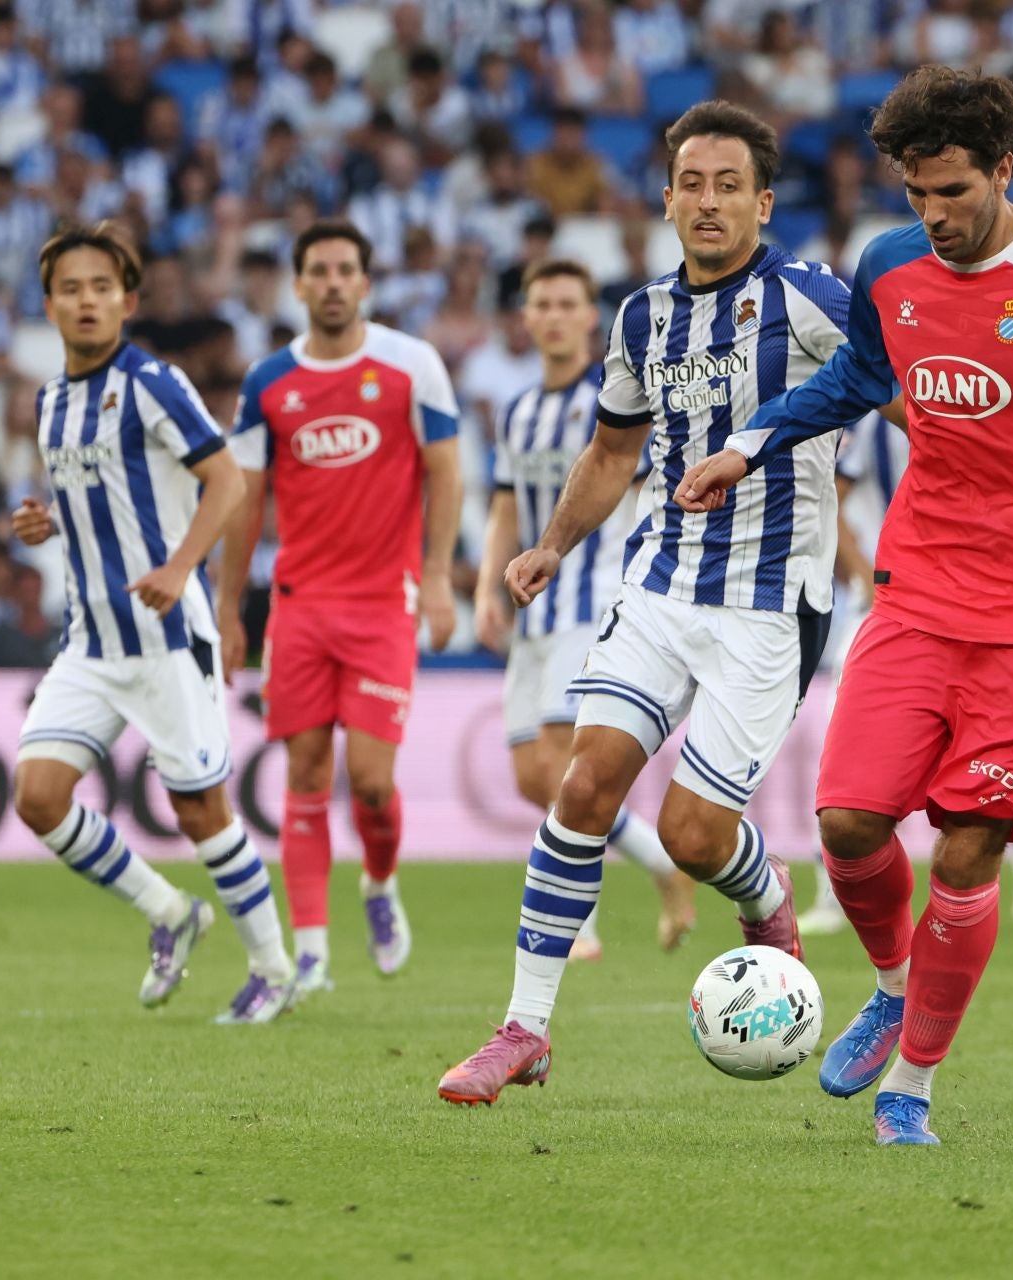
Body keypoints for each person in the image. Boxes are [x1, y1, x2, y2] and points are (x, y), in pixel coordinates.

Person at [677, 67, 1013, 1146]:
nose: (936, 215)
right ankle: (894, 983)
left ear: (1005, 169)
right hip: (920, 586)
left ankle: (912, 1082)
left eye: (954, 191)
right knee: (849, 823)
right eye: (917, 194)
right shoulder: (890, 263)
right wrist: (749, 444)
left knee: (965, 849)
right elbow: (861, 379)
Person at [437, 101, 861, 1107]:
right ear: (666, 199)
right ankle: (523, 1028)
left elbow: (895, 389)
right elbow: (613, 450)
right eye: (692, 185)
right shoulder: (641, 317)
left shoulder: (812, 299)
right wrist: (551, 543)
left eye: (730, 186)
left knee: (692, 835)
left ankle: (764, 890)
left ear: (763, 202)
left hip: (770, 603)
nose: (709, 203)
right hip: (660, 584)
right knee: (583, 786)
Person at [10, 222, 296, 1024]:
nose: (87, 301)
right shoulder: (50, 402)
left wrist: (180, 567)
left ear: (128, 302)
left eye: (102, 288)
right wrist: (47, 523)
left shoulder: (152, 382)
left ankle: (274, 969)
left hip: (167, 637)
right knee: (37, 796)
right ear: (49, 306)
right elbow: (101, 502)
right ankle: (169, 910)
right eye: (71, 289)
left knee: (201, 811)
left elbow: (226, 481)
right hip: (91, 643)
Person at [218, 219, 463, 998]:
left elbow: (446, 472)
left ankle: (380, 884)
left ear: (365, 283)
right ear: (298, 286)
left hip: (383, 605)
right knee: (304, 772)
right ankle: (313, 954)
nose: (331, 283)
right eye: (318, 271)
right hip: (299, 608)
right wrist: (228, 609)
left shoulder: (410, 365)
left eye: (344, 270)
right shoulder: (267, 383)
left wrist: (438, 577)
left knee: (371, 782)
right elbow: (243, 500)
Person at [475, 258, 698, 963]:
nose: (553, 316)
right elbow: (505, 507)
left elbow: (636, 490)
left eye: (567, 303)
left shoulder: (616, 400)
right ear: (525, 317)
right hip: (534, 612)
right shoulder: (518, 409)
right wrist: (485, 590)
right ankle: (661, 865)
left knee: (562, 767)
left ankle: (581, 927)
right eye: (541, 303)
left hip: (593, 600)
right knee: (529, 775)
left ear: (588, 318)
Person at [800, 412, 1013, 936]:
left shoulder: (1004, 407)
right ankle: (830, 894)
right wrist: (865, 574)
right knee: (846, 767)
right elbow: (833, 499)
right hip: (894, 605)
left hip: (997, 607)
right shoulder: (875, 419)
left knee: (1007, 761)